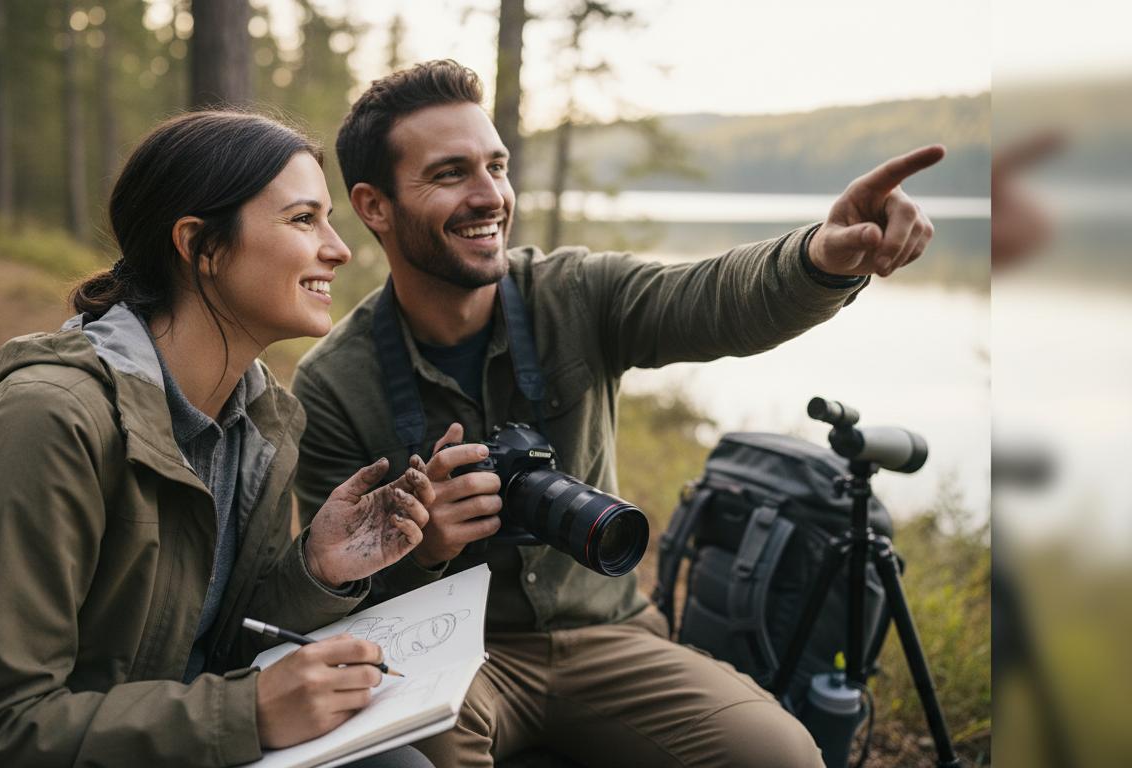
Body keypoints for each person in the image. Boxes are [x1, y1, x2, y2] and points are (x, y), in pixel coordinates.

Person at [292, 60, 943, 768]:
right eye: (451, 174)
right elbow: (344, 600)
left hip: (609, 635)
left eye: (498, 166)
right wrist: (426, 552)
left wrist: (823, 255)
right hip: (449, 647)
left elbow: (714, 297)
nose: (490, 196)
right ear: (375, 205)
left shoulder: (575, 293)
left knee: (779, 754)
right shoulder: (332, 383)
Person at [0, 111, 459, 767]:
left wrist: (315, 569)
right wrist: (248, 711)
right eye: (302, 219)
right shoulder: (44, 427)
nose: (340, 248)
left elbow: (204, 645)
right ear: (200, 246)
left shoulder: (259, 422)